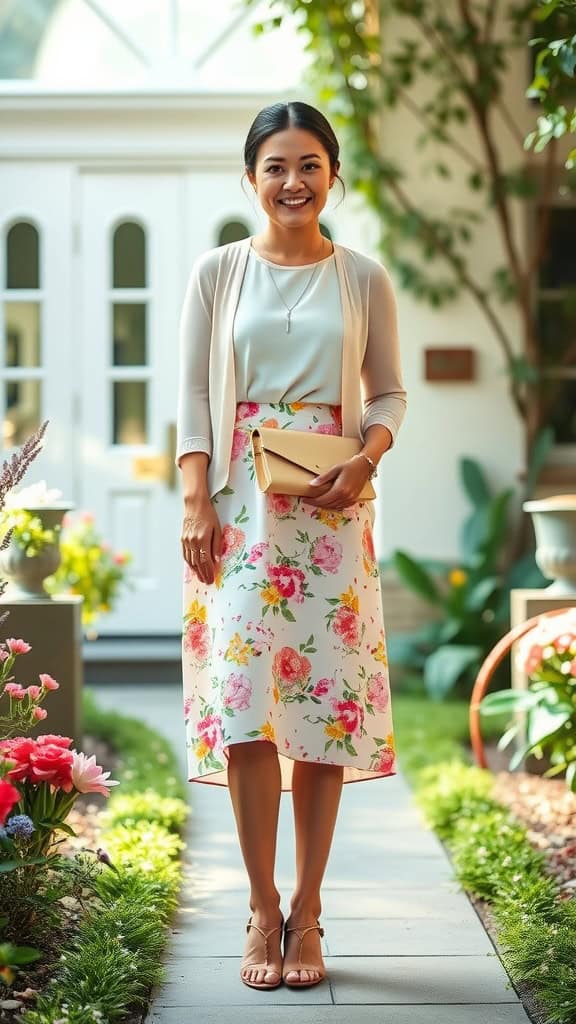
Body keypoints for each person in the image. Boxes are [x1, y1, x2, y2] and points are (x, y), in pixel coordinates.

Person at [176, 100, 407, 992]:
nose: (293, 182)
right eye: (276, 166)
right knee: (245, 715)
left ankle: (309, 913)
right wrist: (197, 501)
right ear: (251, 179)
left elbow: (387, 396)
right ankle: (260, 908)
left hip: (331, 510)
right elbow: (194, 394)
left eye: (309, 164)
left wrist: (364, 459)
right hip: (238, 515)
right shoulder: (217, 273)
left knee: (319, 714)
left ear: (332, 176)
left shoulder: (364, 279)